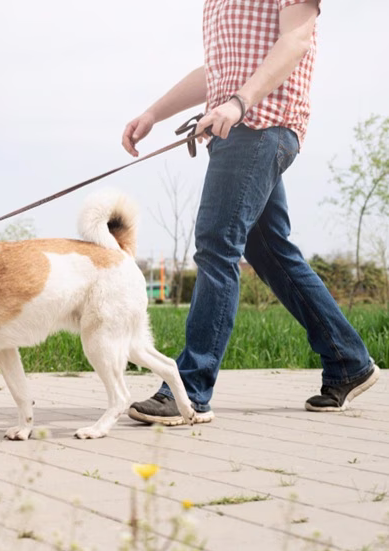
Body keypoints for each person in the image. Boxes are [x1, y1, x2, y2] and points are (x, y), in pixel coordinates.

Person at [121, 0, 379, 425]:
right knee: (270, 251)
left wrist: (239, 103)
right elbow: (216, 72)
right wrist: (153, 113)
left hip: (261, 125)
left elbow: (296, 39)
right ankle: (347, 360)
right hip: (236, 129)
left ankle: (189, 390)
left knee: (216, 246)